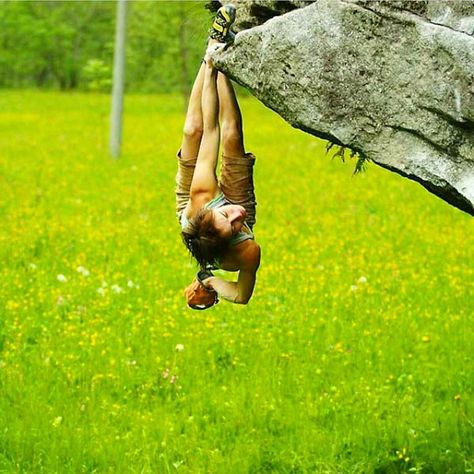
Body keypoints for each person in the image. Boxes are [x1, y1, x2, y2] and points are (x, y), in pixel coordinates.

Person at [176, 5, 261, 306]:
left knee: (193, 129)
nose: (236, 215)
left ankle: (213, 49)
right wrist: (210, 281)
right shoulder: (247, 250)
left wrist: (211, 67)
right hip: (213, 228)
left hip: (195, 201)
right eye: (235, 226)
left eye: (228, 216)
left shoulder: (202, 197)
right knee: (233, 134)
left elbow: (208, 131)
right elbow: (240, 295)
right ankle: (220, 54)